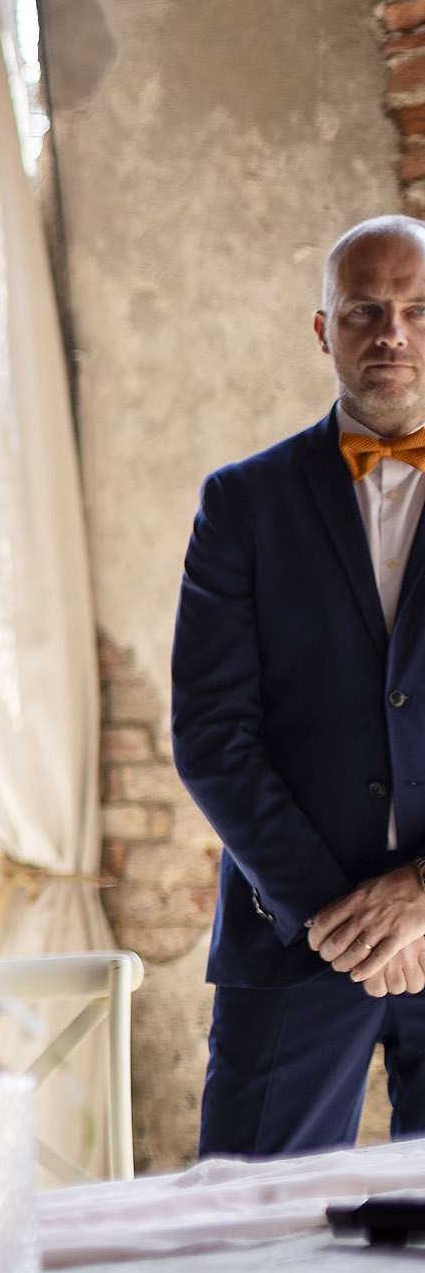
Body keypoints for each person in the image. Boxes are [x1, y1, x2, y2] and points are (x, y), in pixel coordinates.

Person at [175, 215, 425, 1156]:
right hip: (293, 937)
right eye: (364, 310)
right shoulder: (242, 503)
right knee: (247, 1233)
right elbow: (209, 732)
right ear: (324, 328)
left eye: (415, 309)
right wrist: (336, 914)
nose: (391, 332)